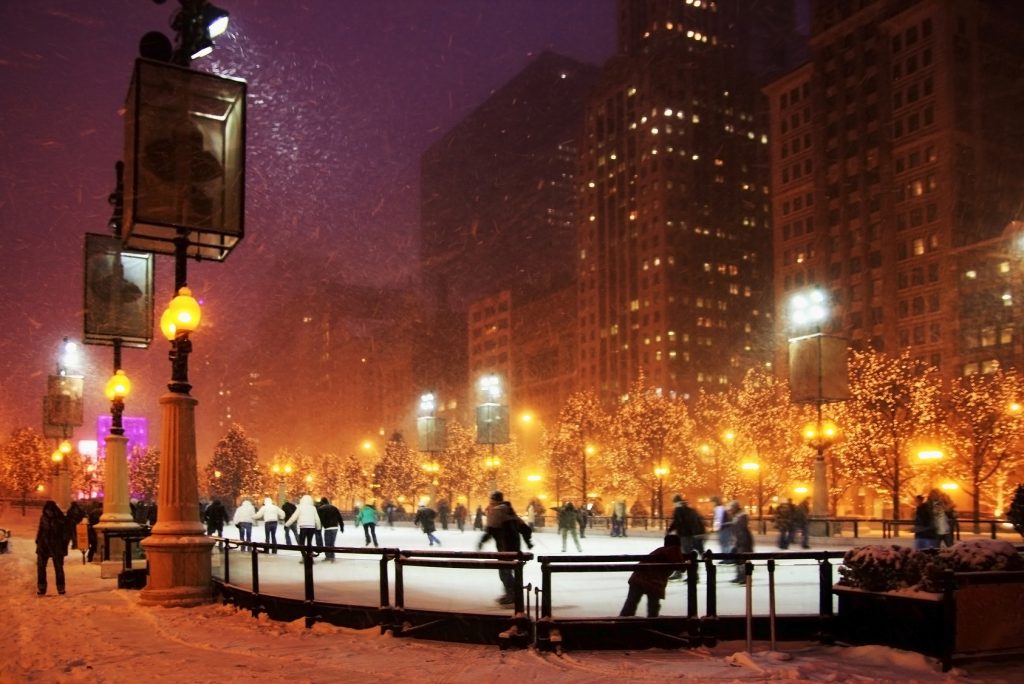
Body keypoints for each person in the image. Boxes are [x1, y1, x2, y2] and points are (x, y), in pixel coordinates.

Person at [478, 491, 533, 605]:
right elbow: (525, 528)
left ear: (493, 500)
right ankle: (512, 593)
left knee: (504, 572)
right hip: (514, 545)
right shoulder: (509, 510)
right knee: (507, 570)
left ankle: (513, 594)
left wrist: (482, 541)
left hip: (504, 546)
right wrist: (528, 541)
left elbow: (491, 529)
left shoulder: (496, 511)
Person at [618, 535, 685, 617]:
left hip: (638, 577)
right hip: (654, 582)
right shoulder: (673, 550)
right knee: (653, 605)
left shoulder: (661, 550)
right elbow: (682, 567)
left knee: (631, 603)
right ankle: (652, 621)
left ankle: (623, 621)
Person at [667, 494, 706, 580]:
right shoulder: (689, 509)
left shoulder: (678, 509)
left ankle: (685, 573)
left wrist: (669, 530)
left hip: (684, 536)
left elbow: (677, 522)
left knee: (684, 555)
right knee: (688, 555)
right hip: (691, 535)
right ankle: (692, 573)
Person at [36, 500, 69, 596]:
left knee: (58, 568)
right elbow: (40, 530)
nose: (48, 512)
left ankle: (61, 588)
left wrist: (63, 547)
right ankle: (41, 587)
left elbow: (65, 535)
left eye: (50, 510)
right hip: (43, 545)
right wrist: (38, 541)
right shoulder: (43, 518)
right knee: (41, 567)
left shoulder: (61, 519)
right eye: (47, 510)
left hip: (57, 546)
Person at [724, 500, 754, 584]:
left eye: (731, 509)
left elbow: (741, 530)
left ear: (735, 508)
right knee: (738, 559)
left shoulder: (741, 516)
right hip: (738, 541)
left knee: (743, 560)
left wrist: (739, 542)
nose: (730, 511)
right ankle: (739, 576)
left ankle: (745, 578)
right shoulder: (737, 516)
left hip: (743, 541)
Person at [285, 494, 322, 560]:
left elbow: (293, 517)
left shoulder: (300, 507)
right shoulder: (313, 508)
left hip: (303, 527)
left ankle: (305, 557)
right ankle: (309, 558)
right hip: (311, 527)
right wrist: (318, 528)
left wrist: (286, 525)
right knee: (309, 543)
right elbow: (317, 519)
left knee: (301, 543)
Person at [317, 497, 344, 561]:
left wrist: (321, 526)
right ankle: (332, 557)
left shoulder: (321, 509)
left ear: (322, 502)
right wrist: (342, 527)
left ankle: (328, 557)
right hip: (335, 527)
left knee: (327, 543)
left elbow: (320, 519)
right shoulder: (334, 507)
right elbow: (339, 517)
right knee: (332, 543)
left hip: (328, 528)